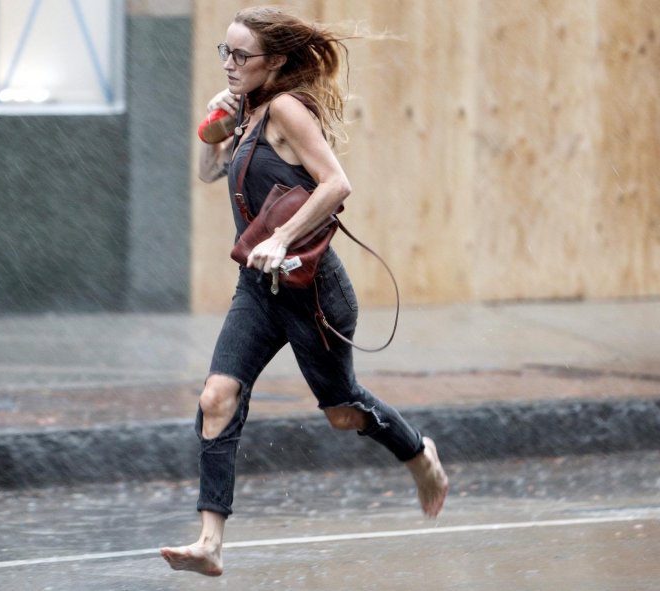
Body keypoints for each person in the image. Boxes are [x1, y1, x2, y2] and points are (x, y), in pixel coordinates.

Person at [159, 6, 448, 577]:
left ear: (277, 62)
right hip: (258, 287)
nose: (230, 64)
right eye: (225, 52)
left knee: (342, 412)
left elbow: (337, 183)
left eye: (242, 56)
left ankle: (419, 453)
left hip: (312, 289)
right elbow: (208, 171)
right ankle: (210, 542)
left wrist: (282, 236)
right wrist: (210, 127)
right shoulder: (246, 109)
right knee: (217, 397)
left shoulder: (287, 109)